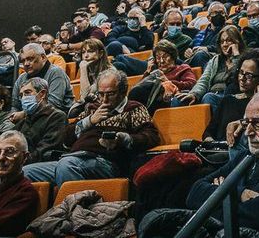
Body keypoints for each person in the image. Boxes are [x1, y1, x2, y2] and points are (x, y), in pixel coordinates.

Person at [139, 89, 259, 238]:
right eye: (246, 123)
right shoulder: (246, 158)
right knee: (153, 220)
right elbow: (195, 192)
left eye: (258, 123)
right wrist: (241, 193)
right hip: (233, 230)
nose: (248, 132)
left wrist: (225, 193)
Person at [23, 69, 160, 188]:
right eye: (101, 94)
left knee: (67, 165)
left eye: (110, 94)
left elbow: (152, 136)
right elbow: (66, 137)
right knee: (26, 172)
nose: (104, 100)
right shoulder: (92, 108)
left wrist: (124, 139)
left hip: (106, 162)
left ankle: (80, 213)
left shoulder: (133, 108)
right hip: (74, 158)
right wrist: (89, 121)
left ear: (123, 91)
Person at [203, 49, 259, 142]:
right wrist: (210, 141)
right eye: (241, 72)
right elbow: (208, 132)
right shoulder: (227, 100)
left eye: (249, 75)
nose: (242, 78)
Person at [174, 25, 245, 111]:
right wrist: (194, 94)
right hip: (210, 93)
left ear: (237, 42)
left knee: (209, 97)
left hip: (229, 96)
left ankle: (214, 125)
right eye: (222, 42)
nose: (225, 44)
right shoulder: (215, 60)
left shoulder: (245, 59)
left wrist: (236, 55)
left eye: (229, 41)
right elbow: (204, 80)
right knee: (178, 99)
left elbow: (240, 78)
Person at [128, 40, 196, 113]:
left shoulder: (183, 68)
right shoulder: (154, 73)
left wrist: (167, 81)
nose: (161, 61)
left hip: (168, 100)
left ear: (173, 57)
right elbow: (137, 90)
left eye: (165, 57)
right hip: (149, 100)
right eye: (158, 58)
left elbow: (191, 84)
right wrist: (147, 73)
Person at [10, 43, 73, 122]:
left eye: (30, 59)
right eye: (23, 60)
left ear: (43, 57)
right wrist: (13, 116)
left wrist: (24, 114)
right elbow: (14, 105)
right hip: (28, 121)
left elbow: (53, 104)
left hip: (54, 119)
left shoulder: (56, 73)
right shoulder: (21, 78)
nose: (26, 64)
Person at [12, 77, 68, 165]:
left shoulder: (56, 116)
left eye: (27, 93)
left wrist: (15, 163)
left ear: (42, 94)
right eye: (21, 95)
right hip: (20, 163)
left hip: (42, 164)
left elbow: (44, 150)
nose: (23, 98)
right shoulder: (23, 121)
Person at [74, 38, 114, 109]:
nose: (86, 56)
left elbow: (85, 96)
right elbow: (84, 98)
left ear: (101, 53)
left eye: (90, 51)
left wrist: (83, 70)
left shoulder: (110, 72)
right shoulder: (87, 69)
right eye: (83, 52)